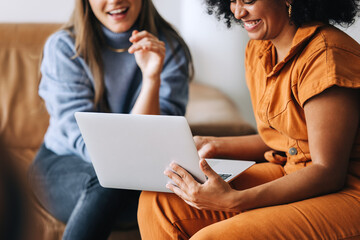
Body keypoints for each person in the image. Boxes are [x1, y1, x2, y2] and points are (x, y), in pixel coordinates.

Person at [138, 0, 360, 239]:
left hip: (347, 190)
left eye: (248, 1)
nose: (237, 11)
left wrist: (234, 200)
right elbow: (289, 141)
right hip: (291, 170)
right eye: (232, 1)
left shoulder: (327, 57)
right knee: (160, 200)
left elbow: (328, 171)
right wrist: (214, 144)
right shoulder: (260, 49)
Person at [28, 0, 193, 239]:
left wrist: (151, 79)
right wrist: (131, 160)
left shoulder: (170, 48)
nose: (115, 0)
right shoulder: (64, 47)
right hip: (63, 164)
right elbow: (91, 145)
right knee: (106, 182)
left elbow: (155, 141)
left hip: (137, 175)